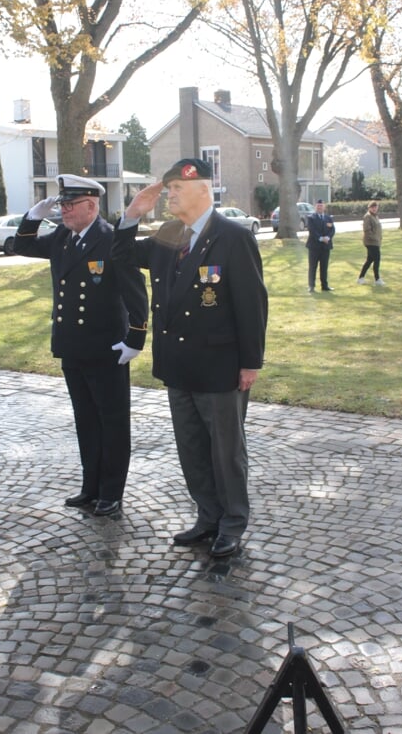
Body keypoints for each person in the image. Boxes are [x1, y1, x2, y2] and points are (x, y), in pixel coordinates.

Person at [113, 158, 268, 558]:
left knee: (226, 451)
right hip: (178, 365)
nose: (169, 195)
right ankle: (207, 517)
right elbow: (123, 256)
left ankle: (232, 523)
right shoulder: (169, 233)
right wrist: (132, 213)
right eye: (167, 190)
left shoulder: (232, 236)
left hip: (220, 367)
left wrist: (250, 362)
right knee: (192, 449)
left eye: (177, 189)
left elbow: (252, 304)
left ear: (203, 190)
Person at [14, 174, 148, 517]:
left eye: (69, 205)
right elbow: (23, 246)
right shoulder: (62, 237)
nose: (63, 212)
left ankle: (111, 492)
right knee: (85, 420)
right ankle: (91, 487)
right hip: (72, 346)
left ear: (91, 205)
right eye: (61, 205)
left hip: (107, 348)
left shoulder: (111, 239)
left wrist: (135, 337)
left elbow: (136, 289)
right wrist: (33, 216)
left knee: (112, 421)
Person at [305, 199, 336, 292]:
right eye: (318, 206)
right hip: (314, 246)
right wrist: (321, 238)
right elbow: (312, 230)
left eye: (321, 206)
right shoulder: (311, 218)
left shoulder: (328, 218)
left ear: (324, 207)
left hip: (325, 247)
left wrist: (328, 238)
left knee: (324, 267)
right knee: (313, 267)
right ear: (315, 207)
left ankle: (324, 285)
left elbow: (332, 230)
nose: (320, 207)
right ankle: (311, 286)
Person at [357, 200, 385, 285]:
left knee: (369, 260)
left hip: (376, 242)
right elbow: (367, 230)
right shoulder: (367, 217)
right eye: (372, 207)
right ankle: (377, 279)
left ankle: (361, 278)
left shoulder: (375, 216)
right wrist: (374, 238)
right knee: (377, 259)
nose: (374, 209)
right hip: (371, 242)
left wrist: (379, 238)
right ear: (369, 208)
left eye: (375, 207)